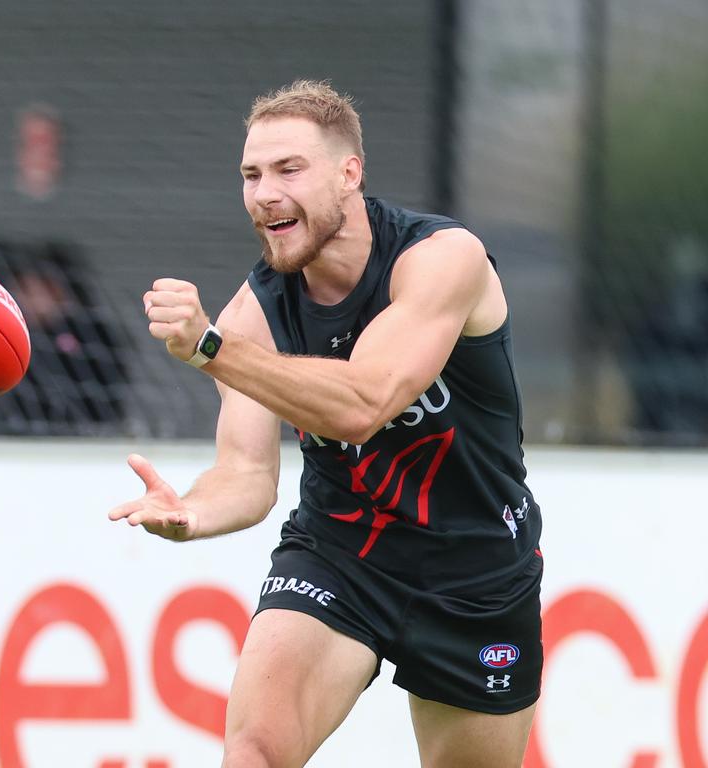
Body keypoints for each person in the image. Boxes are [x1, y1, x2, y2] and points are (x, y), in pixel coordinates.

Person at [109, 79, 543, 768]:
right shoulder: (257, 314)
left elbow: (363, 404)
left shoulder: (441, 260)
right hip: (341, 555)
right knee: (254, 752)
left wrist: (212, 350)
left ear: (350, 174)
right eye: (251, 175)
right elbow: (247, 474)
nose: (264, 193)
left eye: (289, 169)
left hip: (476, 570)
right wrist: (192, 512)